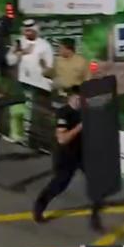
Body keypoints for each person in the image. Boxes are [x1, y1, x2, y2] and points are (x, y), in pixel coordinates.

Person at [33, 85, 104, 231]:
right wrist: (80, 127)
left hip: (83, 154)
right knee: (59, 185)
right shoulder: (63, 114)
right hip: (66, 155)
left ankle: (95, 218)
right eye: (78, 98)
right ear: (71, 97)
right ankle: (39, 208)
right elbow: (62, 139)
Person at [6, 19, 54, 91]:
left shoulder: (44, 45)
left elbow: (49, 66)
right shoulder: (18, 43)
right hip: (22, 81)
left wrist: (41, 73)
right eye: (26, 31)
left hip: (38, 82)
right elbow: (9, 61)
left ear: (36, 31)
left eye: (30, 31)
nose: (28, 33)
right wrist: (22, 52)